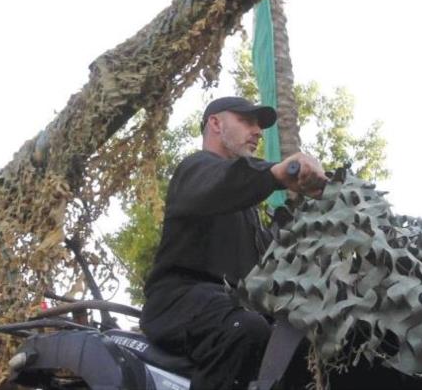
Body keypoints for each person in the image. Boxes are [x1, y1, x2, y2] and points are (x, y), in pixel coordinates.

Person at [140, 96, 327, 390]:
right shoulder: (195, 169)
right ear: (215, 123)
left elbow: (275, 258)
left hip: (232, 305)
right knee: (246, 328)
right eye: (246, 121)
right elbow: (223, 183)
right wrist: (280, 171)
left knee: (302, 342)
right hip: (178, 301)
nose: (257, 132)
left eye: (259, 126)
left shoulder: (247, 207)